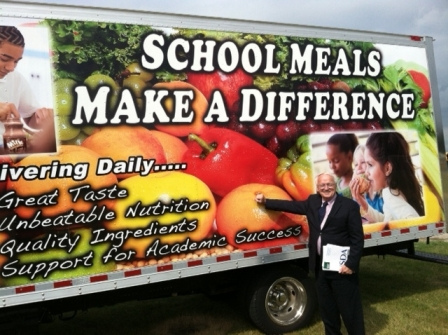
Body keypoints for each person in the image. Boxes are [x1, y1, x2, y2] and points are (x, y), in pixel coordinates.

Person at [255, 172, 365, 335]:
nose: (326, 188)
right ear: (318, 187)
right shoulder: (313, 202)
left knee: (350, 311)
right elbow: (291, 206)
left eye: (329, 184)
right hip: (320, 266)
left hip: (342, 268)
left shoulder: (349, 206)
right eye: (322, 185)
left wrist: (350, 264)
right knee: (327, 310)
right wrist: (266, 202)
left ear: (334, 186)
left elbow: (357, 239)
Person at [0, 25, 55, 152]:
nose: (10, 67)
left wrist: (41, 118)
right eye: (4, 59)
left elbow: (30, 118)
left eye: (16, 61)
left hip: (10, 153)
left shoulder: (16, 78)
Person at [352, 132, 424, 222]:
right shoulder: (391, 192)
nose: (366, 172)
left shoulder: (390, 195)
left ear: (387, 168)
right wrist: (364, 205)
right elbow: (387, 221)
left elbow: (415, 221)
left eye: (370, 165)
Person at [350, 144, 384, 223]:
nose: (358, 168)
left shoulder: (383, 192)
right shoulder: (358, 197)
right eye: (356, 164)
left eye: (363, 162)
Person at [325, 134, 359, 199]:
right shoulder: (334, 184)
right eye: (329, 161)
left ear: (349, 157)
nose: (332, 166)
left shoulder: (357, 183)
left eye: (336, 161)